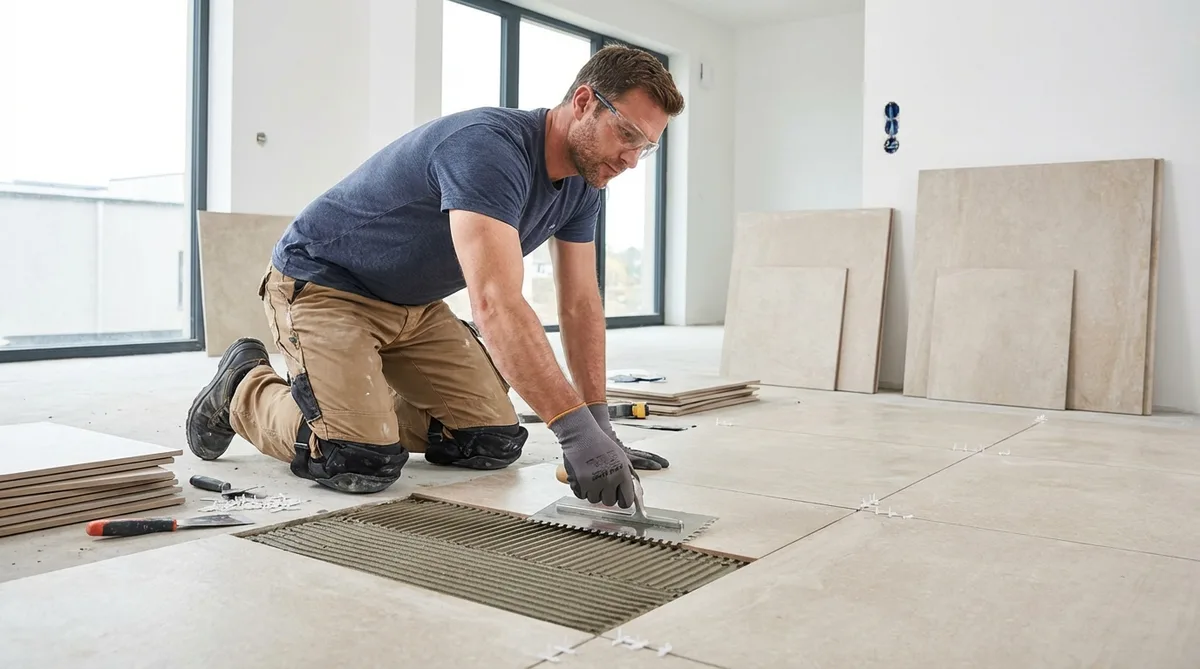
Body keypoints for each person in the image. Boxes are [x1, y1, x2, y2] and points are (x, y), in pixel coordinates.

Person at [185, 45, 685, 507]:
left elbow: (580, 305)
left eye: (645, 147)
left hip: (415, 308)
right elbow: (495, 303)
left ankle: (360, 406)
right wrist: (574, 434)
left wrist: (598, 424)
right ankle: (244, 389)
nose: (630, 160)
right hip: (325, 286)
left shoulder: (584, 184)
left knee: (491, 441)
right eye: (627, 135)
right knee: (357, 460)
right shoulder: (490, 150)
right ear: (583, 102)